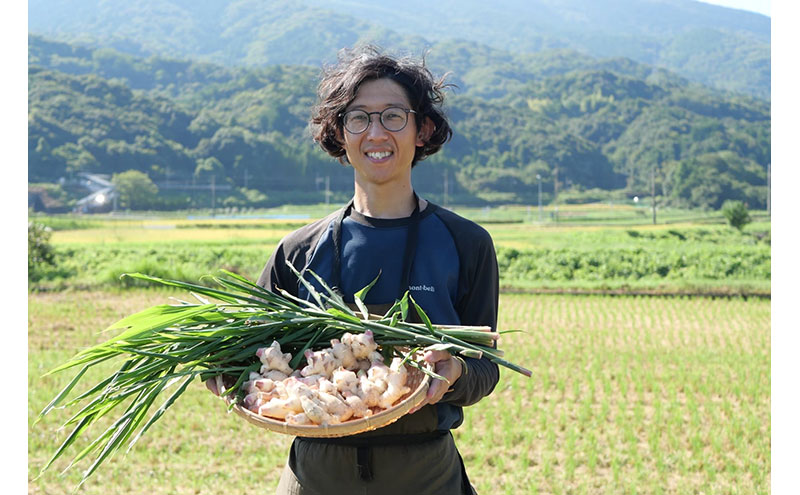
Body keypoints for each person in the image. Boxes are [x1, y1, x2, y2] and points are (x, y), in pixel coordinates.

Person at [216, 46, 500, 494]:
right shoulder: (297, 251)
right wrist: (219, 371)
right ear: (339, 132)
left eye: (393, 116)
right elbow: (240, 353)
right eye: (358, 118)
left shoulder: (466, 243)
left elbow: (486, 366)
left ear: (422, 129)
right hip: (315, 474)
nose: (375, 132)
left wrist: (456, 373)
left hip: (425, 474)